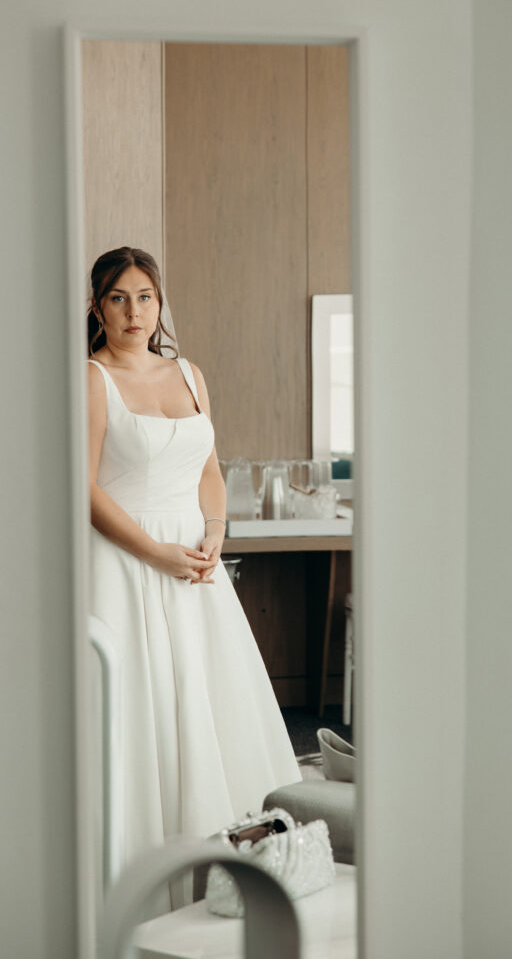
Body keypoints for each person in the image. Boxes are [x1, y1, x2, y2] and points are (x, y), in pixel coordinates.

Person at [87, 246, 301, 903]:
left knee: (208, 706)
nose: (133, 311)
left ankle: (233, 880)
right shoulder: (91, 377)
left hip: (197, 568)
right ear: (97, 306)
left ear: (160, 302)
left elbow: (209, 471)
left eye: (144, 296)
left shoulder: (190, 373)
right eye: (118, 297)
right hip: (127, 563)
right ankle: (137, 877)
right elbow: (84, 489)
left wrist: (214, 534)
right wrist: (154, 552)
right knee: (143, 709)